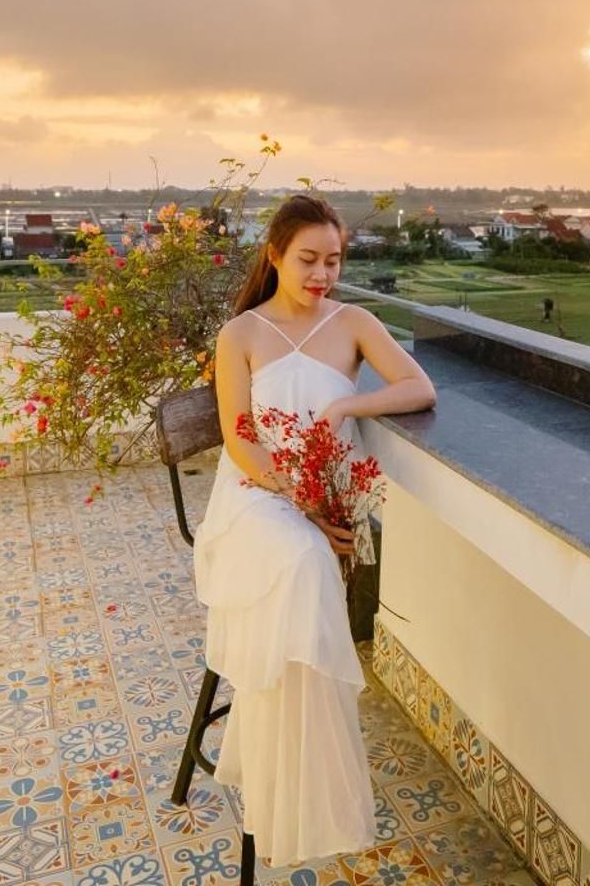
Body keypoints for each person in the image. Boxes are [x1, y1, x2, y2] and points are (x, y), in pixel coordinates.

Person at [191, 193, 439, 868]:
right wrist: (296, 495)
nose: (321, 273)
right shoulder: (240, 333)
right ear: (275, 255)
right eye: (308, 259)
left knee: (304, 571)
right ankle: (283, 783)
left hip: (324, 496)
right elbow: (240, 437)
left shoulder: (353, 321)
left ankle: (290, 767)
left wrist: (346, 404)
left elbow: (419, 387)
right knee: (302, 563)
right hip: (255, 498)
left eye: (333, 260)